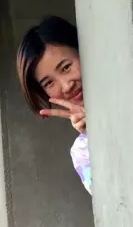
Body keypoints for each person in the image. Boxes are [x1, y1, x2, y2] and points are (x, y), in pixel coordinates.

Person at [16, 16, 91, 194]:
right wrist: (93, 136)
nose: (66, 86)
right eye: (49, 83)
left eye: (66, 67)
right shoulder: (82, 153)